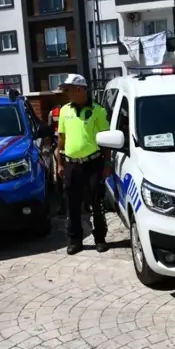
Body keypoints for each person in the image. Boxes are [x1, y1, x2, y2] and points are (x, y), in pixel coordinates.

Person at [56, 74, 112, 255]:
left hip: (93, 163)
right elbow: (61, 139)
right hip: (72, 165)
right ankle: (74, 240)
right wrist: (60, 163)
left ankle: (100, 238)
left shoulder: (98, 110)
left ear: (79, 89)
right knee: (72, 204)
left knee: (97, 202)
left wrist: (107, 163)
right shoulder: (65, 110)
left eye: (68, 90)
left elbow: (106, 141)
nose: (66, 93)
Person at [47, 103, 65, 214]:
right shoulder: (53, 112)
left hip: (74, 147)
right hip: (58, 147)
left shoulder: (74, 111)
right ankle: (62, 204)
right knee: (59, 177)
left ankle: (86, 203)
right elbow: (49, 129)